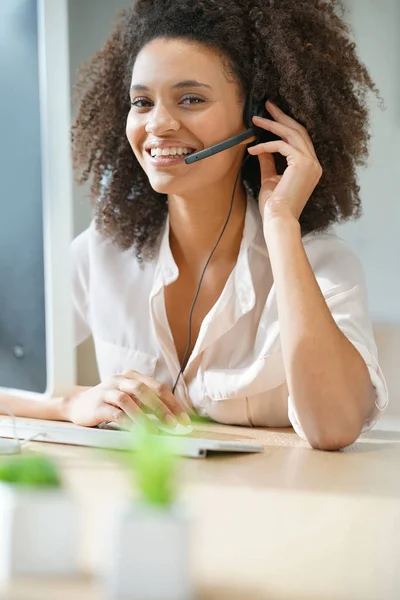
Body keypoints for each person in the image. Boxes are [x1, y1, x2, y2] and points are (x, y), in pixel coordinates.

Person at [3, 0, 389, 449]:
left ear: (257, 122)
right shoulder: (103, 252)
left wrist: (281, 225)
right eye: (142, 102)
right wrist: (69, 405)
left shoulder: (323, 263)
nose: (159, 125)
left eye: (191, 99)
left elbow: (334, 427)